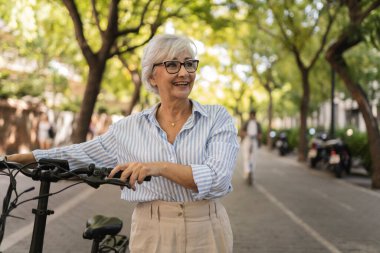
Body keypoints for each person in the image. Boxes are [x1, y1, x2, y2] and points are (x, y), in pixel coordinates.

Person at [2, 34, 239, 253]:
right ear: (151, 76)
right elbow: (80, 153)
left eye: (189, 64)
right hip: (151, 229)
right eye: (172, 65)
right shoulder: (128, 128)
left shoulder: (217, 118)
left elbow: (217, 178)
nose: (184, 73)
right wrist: (23, 158)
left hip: (207, 228)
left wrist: (157, 167)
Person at [240, 109, 262, 185]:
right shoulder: (246, 123)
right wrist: (246, 134)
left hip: (254, 140)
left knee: (254, 157)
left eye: (253, 114)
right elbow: (241, 132)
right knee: (246, 157)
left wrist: (258, 137)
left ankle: (251, 171)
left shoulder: (257, 123)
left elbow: (260, 134)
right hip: (247, 140)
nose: (252, 116)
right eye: (251, 114)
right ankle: (247, 171)